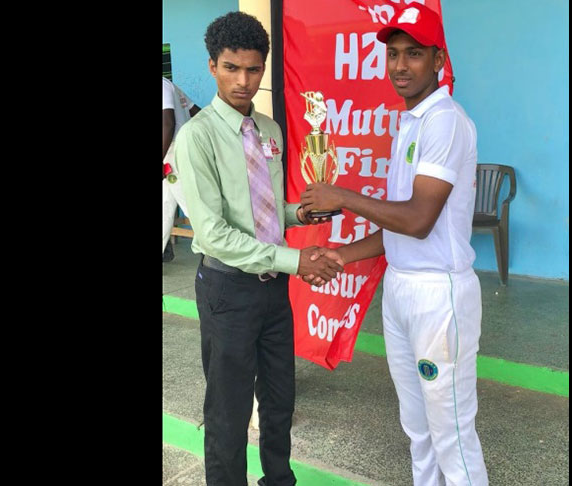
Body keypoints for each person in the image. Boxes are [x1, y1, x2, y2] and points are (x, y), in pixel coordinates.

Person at [300, 3, 489, 485]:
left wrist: (340, 195)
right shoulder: (410, 122)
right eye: (394, 55)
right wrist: (342, 255)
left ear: (439, 61)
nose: (401, 66)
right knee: (418, 429)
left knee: (451, 435)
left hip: (437, 298)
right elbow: (400, 226)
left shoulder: (444, 121)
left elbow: (420, 219)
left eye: (415, 54)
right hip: (402, 289)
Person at [174, 11, 343, 486]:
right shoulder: (197, 137)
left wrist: (300, 214)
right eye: (231, 68)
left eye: (253, 69)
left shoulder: (268, 130)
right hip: (227, 290)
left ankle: (278, 480)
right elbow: (213, 232)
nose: (243, 81)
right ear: (212, 67)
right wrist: (296, 260)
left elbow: (260, 211)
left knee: (278, 400)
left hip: (272, 290)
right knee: (227, 413)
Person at [163, 77, 201, 262]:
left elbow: (168, 123)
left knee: (190, 204)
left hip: (174, 151)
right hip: (173, 151)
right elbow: (197, 112)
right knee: (165, 205)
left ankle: (215, 250)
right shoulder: (171, 86)